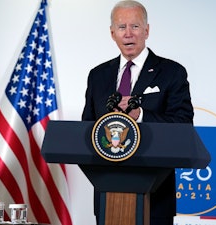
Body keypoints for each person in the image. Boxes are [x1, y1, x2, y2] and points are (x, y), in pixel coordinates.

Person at [82, 1, 193, 225]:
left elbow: (183, 124)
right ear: (112, 33)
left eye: (135, 26)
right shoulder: (98, 75)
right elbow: (87, 126)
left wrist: (140, 115)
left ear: (147, 30)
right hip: (108, 192)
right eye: (122, 27)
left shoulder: (172, 72)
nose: (128, 33)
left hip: (155, 195)